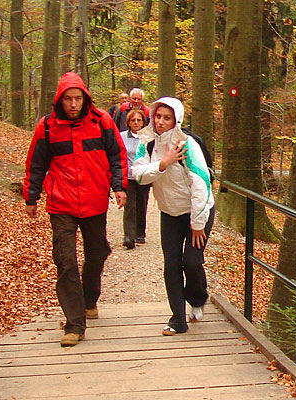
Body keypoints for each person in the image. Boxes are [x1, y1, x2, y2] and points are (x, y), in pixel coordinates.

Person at [23, 72, 128, 347]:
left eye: (77, 98)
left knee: (98, 251)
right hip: (61, 203)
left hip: (94, 200)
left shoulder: (102, 121)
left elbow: (117, 155)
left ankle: (89, 297)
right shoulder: (47, 127)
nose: (73, 104)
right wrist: (31, 197)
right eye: (68, 99)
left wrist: (119, 186)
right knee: (65, 260)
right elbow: (36, 164)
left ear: (85, 99)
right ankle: (74, 324)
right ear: (60, 99)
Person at [133, 97, 215, 336]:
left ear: (176, 120)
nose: (160, 122)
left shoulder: (187, 144)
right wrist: (163, 163)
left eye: (166, 118)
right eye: (158, 116)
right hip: (169, 212)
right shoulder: (147, 143)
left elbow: (201, 183)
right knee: (171, 264)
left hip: (197, 211)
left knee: (191, 260)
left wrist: (198, 224)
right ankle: (178, 319)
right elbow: (138, 175)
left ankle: (198, 298)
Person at [119, 109, 152, 249]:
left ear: (144, 122)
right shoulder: (121, 137)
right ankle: (129, 236)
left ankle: (140, 232)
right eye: (133, 120)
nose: (136, 123)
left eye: (139, 120)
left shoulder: (149, 138)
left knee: (141, 204)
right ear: (129, 122)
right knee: (129, 205)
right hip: (129, 176)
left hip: (143, 176)